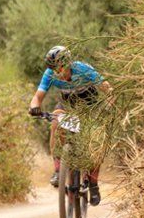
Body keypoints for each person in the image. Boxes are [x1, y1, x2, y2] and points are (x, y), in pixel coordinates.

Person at [28, 45, 110, 206]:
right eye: (54, 68)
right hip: (67, 104)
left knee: (95, 142)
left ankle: (93, 184)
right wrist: (34, 107)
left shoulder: (83, 70)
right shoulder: (50, 74)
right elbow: (37, 96)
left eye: (60, 67)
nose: (58, 72)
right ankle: (58, 170)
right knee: (55, 124)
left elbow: (107, 88)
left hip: (89, 106)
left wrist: (108, 104)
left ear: (69, 63)